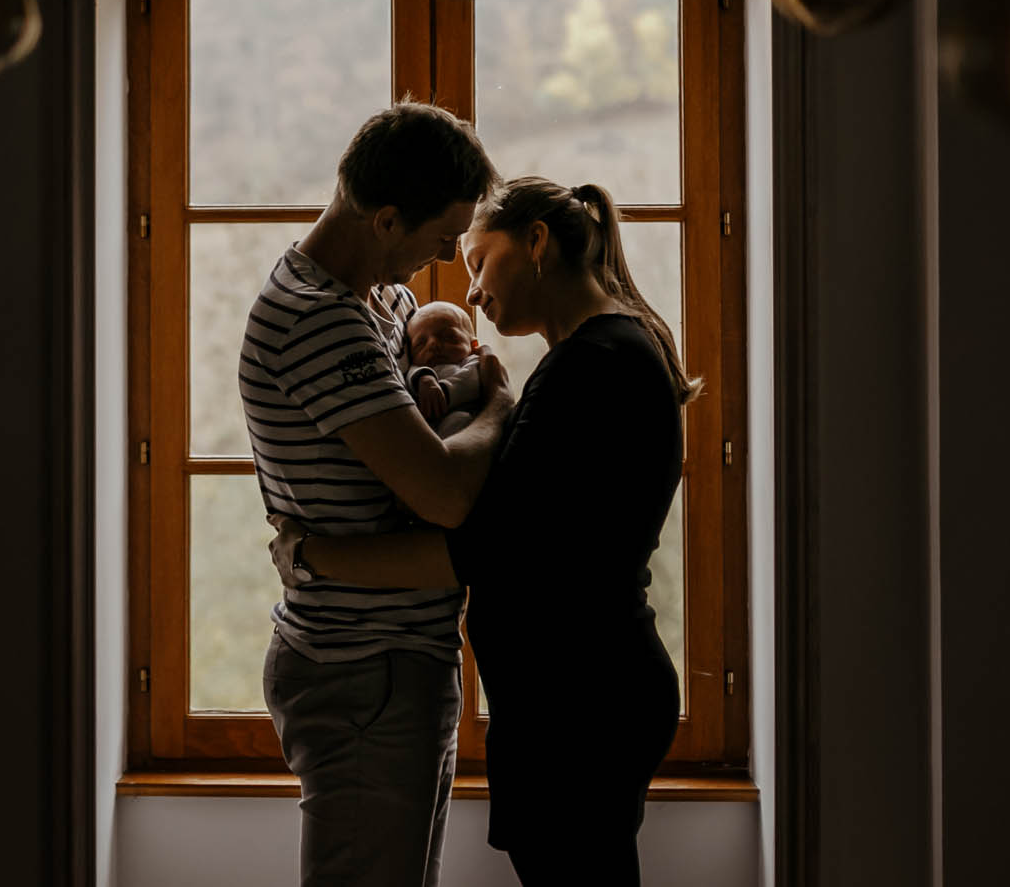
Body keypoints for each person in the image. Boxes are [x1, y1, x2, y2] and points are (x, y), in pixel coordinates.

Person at [269, 177, 702, 887]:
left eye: (476, 259)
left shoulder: (595, 368)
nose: (468, 290)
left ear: (535, 243)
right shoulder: (598, 357)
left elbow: (474, 551)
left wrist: (312, 556)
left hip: (578, 708)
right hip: (579, 696)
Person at [242, 99, 514, 887]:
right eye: (439, 236)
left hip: (397, 658)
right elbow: (443, 494)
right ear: (387, 218)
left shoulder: (384, 301)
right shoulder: (316, 320)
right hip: (361, 667)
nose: (443, 260)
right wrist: (496, 399)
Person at [405, 299, 486, 438]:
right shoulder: (420, 367)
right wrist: (425, 379)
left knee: (459, 420)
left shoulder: (472, 361)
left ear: (473, 345)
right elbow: (411, 375)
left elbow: (472, 381)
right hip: (428, 431)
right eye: (421, 343)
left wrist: (444, 393)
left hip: (467, 421)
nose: (433, 345)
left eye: (448, 337)